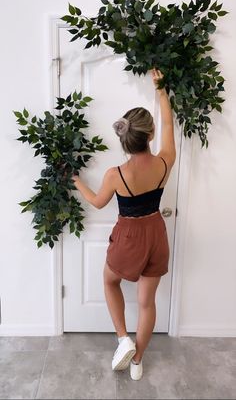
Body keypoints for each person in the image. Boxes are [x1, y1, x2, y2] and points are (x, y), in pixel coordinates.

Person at [72, 68, 176, 381]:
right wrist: (160, 89)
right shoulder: (164, 161)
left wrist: (77, 182)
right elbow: (170, 123)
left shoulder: (115, 175)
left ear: (124, 138)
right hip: (157, 231)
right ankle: (138, 361)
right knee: (147, 303)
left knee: (108, 281)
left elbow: (97, 202)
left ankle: (123, 339)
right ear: (150, 135)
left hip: (129, 234)